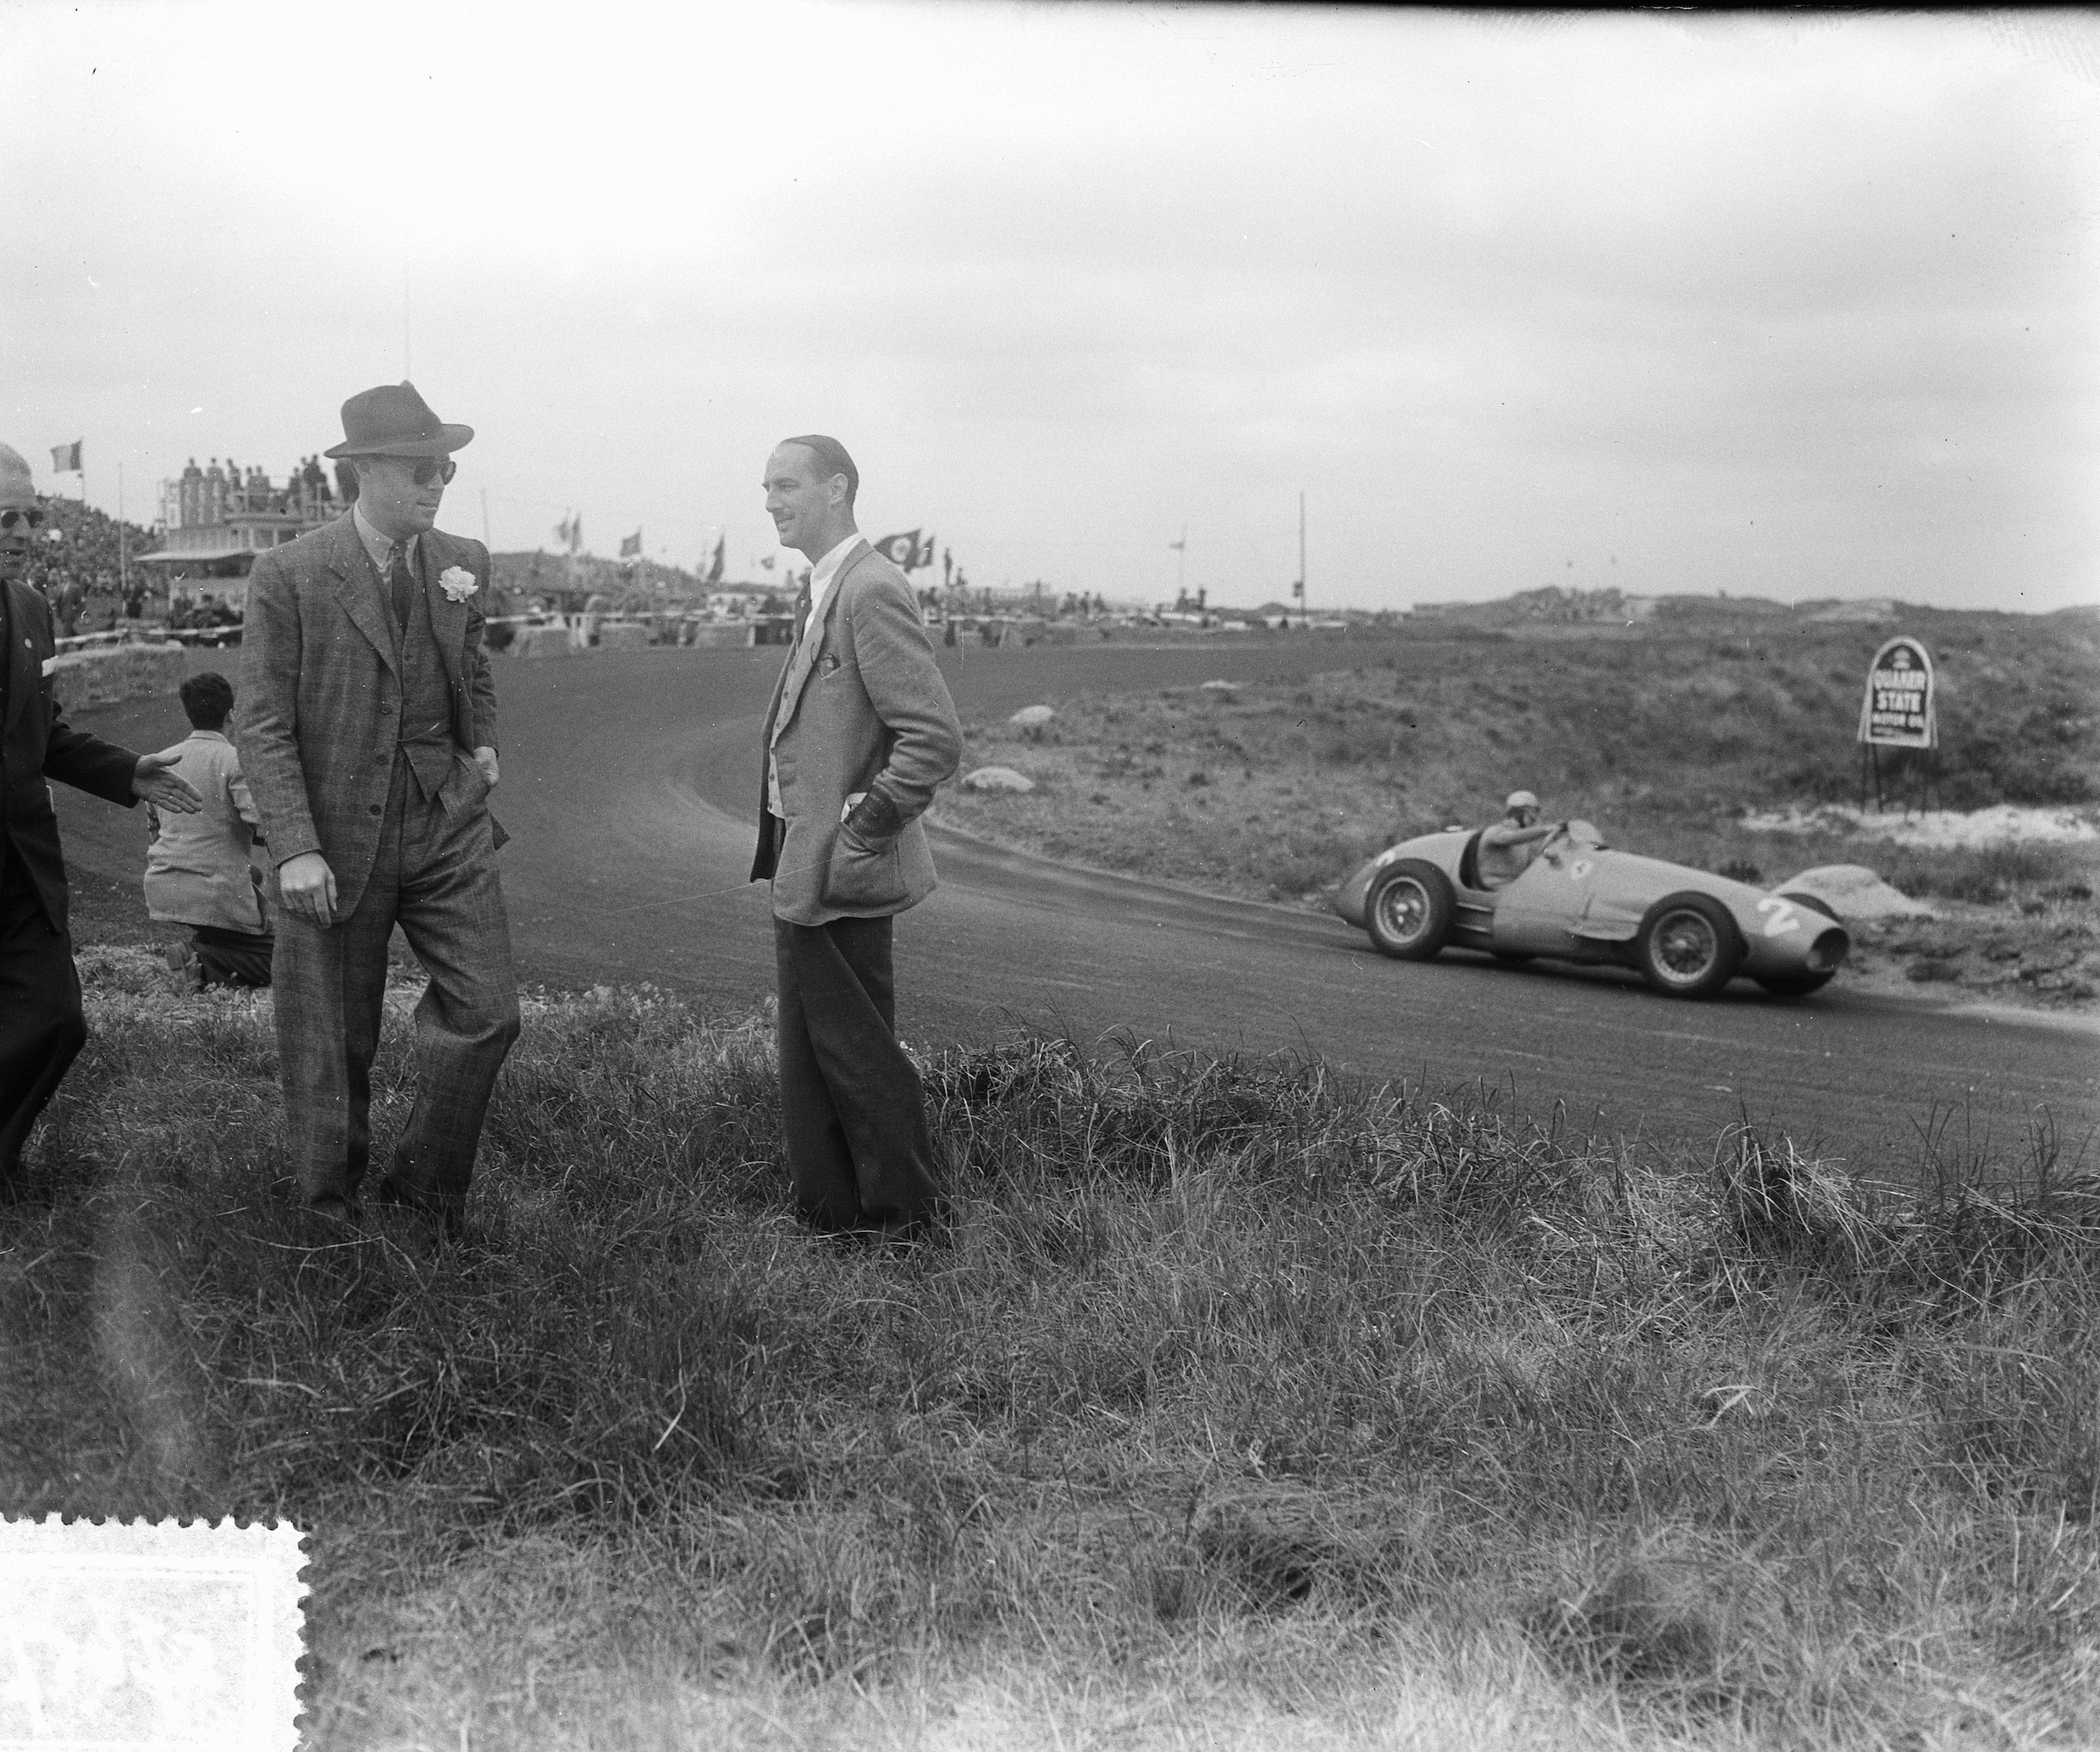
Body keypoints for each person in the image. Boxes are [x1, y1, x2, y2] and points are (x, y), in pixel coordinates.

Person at [238, 382, 518, 1233]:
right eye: (420, 467)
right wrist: (293, 845)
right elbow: (260, 718)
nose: (438, 481)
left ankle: (424, 1194)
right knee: (330, 1039)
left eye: (446, 465)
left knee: (487, 1010)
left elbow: (472, 671)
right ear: (364, 471)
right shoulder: (288, 572)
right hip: (327, 837)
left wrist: (479, 755)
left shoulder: (462, 558)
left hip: (444, 822)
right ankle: (328, 1217)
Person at [750, 435, 962, 1246]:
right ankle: (831, 1216)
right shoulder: (824, 587)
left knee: (858, 1053)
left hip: (843, 864)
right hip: (801, 859)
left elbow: (933, 739)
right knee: (809, 1050)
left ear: (837, 488)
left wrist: (865, 829)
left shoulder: (870, 587)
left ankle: (909, 1225)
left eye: (787, 484)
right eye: (766, 485)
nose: (771, 499)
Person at [0, 442, 201, 1197]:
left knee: (57, 1020)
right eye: (5, 516)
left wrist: (126, 771)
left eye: (30, 517)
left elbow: (42, 730)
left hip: (22, 863)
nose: (21, 532)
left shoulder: (31, 607)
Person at [145, 671, 274, 990]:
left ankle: (204, 951)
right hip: (214, 890)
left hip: (165, 883)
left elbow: (155, 828)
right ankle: (200, 961)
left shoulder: (162, 761)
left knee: (251, 878)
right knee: (285, 959)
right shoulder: (233, 759)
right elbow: (260, 823)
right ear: (231, 714)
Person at [1477, 789, 1557, 889]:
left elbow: (1534, 866)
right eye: (1530, 817)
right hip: (1493, 888)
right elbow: (1509, 838)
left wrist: (1551, 856)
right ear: (1518, 813)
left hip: (1516, 890)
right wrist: (1545, 830)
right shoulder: (1494, 831)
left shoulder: (1524, 843)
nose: (1534, 820)